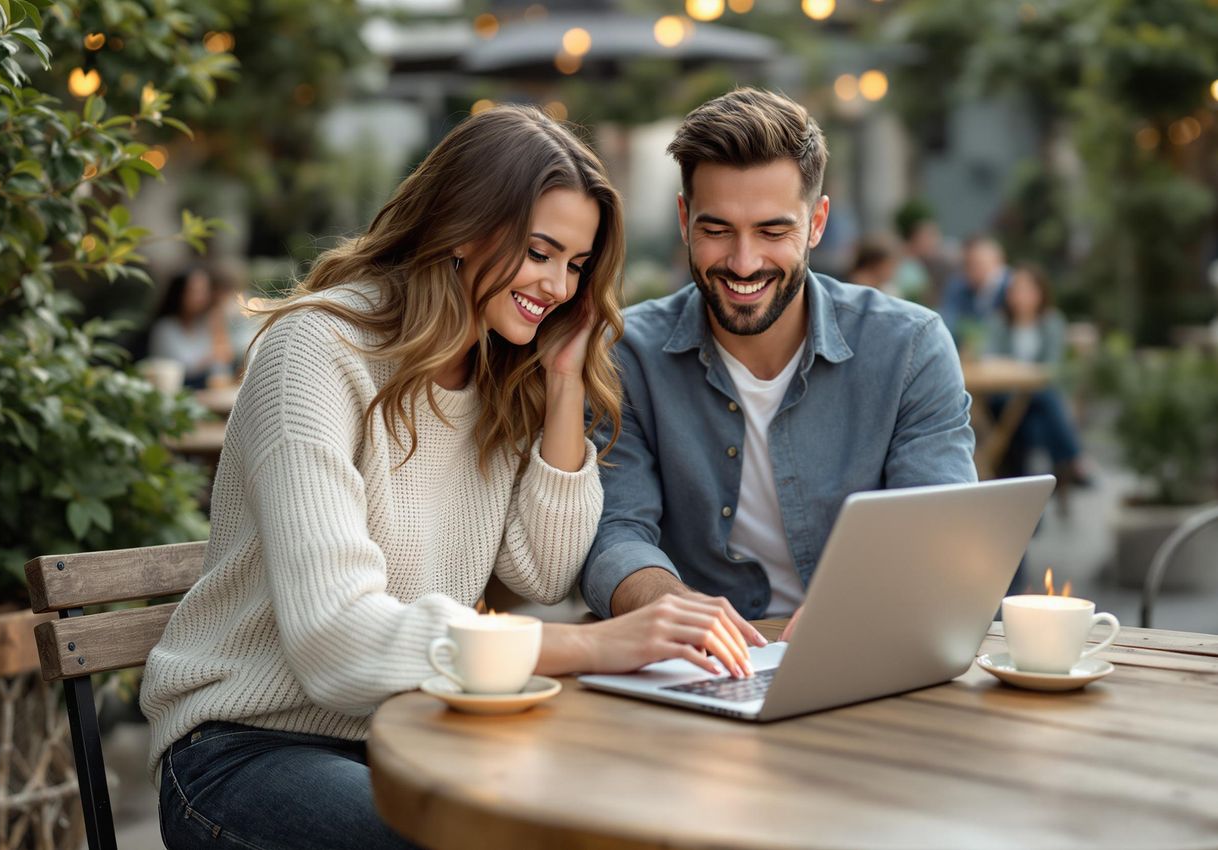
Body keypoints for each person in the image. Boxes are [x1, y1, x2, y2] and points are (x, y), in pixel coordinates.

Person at [141, 106, 755, 850]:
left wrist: (564, 382)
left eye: (576, 264)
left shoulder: (500, 367)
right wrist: (599, 646)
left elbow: (544, 569)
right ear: (463, 226)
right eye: (539, 251)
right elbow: (336, 644)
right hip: (247, 752)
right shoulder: (317, 351)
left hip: (419, 737)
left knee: (639, 808)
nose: (559, 286)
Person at [580, 88, 976, 645]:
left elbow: (938, 527)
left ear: (816, 223)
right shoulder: (627, 356)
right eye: (717, 230)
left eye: (773, 231)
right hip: (693, 664)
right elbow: (615, 533)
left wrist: (856, 607)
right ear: (683, 217)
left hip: (866, 649)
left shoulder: (910, 347)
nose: (744, 263)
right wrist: (676, 609)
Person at [983, 263, 1090, 487]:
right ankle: (1073, 459)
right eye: (1016, 290)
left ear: (1040, 293)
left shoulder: (1051, 322)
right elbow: (990, 359)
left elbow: (1052, 367)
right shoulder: (999, 322)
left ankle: (1027, 491)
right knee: (1044, 400)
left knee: (1029, 427)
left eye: (1027, 290)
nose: (1021, 296)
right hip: (1005, 396)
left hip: (1034, 401)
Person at [148, 266, 235, 387]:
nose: (201, 298)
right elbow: (180, 369)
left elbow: (221, 366)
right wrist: (211, 358)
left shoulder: (206, 325)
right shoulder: (165, 328)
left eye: (204, 291)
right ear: (179, 293)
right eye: (194, 291)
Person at [939, 235, 1011, 349]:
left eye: (978, 264)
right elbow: (947, 321)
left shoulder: (1013, 287)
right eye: (967, 264)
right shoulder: (959, 285)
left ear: (998, 262)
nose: (971, 270)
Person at [891, 201, 952, 305]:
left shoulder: (918, 265)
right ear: (915, 238)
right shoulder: (901, 266)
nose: (935, 241)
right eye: (930, 236)